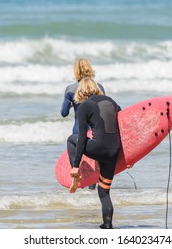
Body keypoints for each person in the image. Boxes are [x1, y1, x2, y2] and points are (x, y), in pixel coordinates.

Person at [67, 77, 121, 229]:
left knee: (71, 139)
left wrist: (76, 164)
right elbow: (123, 127)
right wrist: (128, 156)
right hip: (113, 152)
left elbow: (82, 137)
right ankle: (107, 225)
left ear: (81, 91)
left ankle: (76, 173)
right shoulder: (112, 102)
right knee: (104, 191)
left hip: (97, 148)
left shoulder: (85, 106)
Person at [61, 58, 105, 190]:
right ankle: (92, 192)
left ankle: (80, 188)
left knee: (79, 163)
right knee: (94, 164)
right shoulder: (99, 87)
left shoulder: (70, 89)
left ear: (76, 71)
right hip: (96, 131)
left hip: (78, 131)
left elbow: (63, 113)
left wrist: (70, 104)